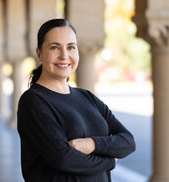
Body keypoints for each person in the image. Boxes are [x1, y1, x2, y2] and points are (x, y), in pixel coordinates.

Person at [17, 18, 136, 182]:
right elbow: (64, 159)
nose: (64, 56)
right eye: (54, 47)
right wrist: (110, 161)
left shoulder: (87, 97)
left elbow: (128, 142)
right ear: (39, 53)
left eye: (71, 47)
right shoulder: (33, 101)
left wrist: (93, 144)